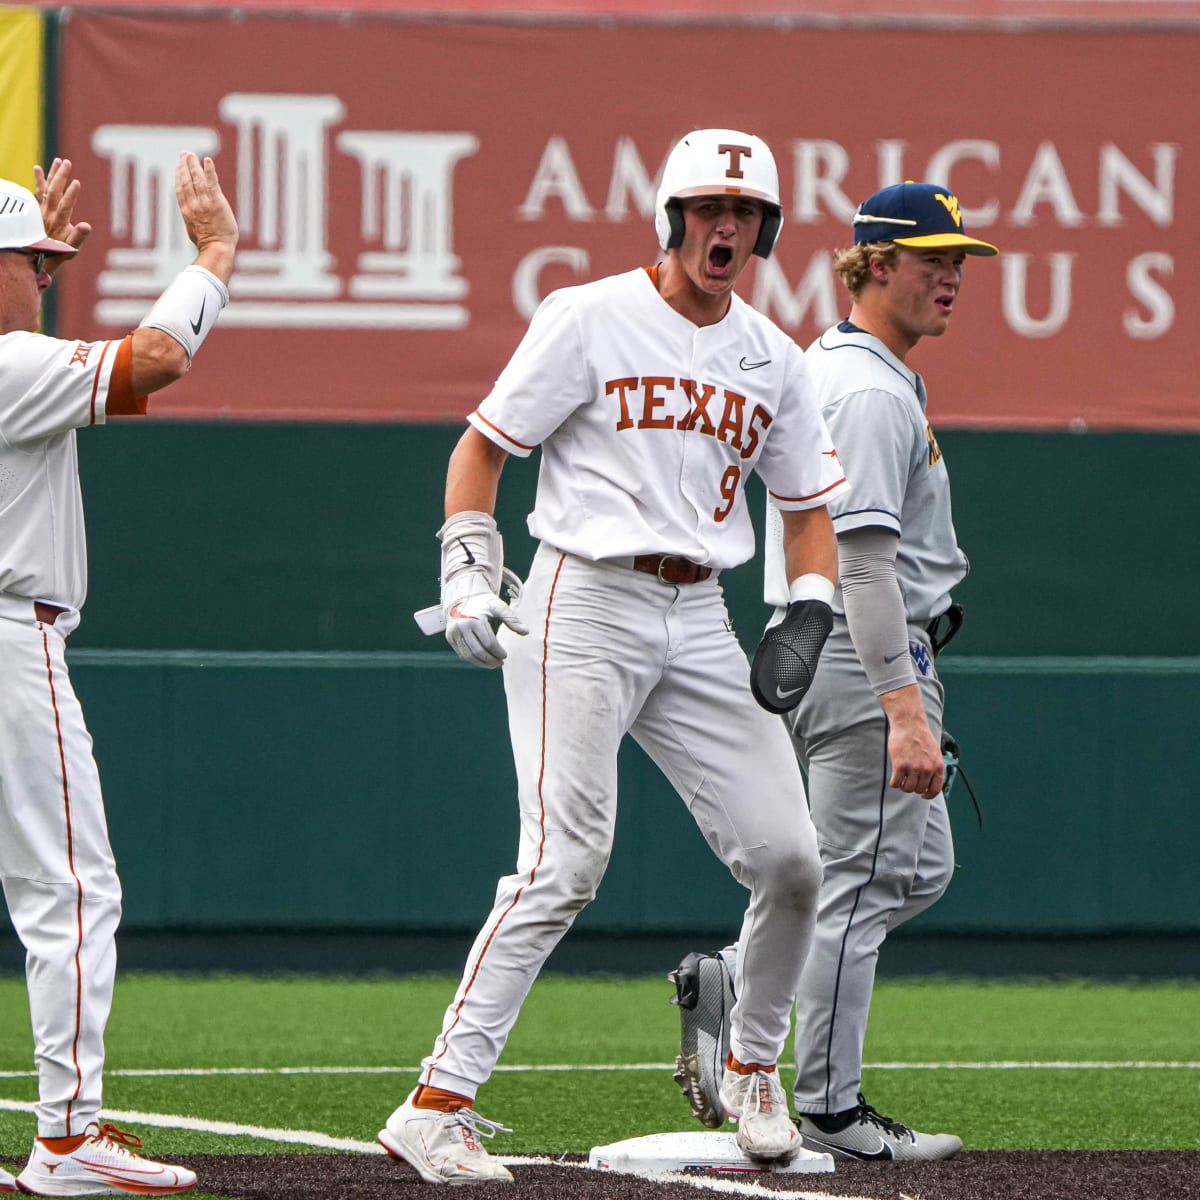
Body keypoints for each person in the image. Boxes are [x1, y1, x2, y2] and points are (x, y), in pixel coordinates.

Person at [377, 128, 849, 1186]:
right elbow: (482, 449)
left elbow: (810, 508)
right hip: (582, 596)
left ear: (766, 230)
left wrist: (808, 611)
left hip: (699, 612)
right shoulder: (588, 315)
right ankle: (435, 1104)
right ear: (673, 217)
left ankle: (755, 1068)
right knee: (564, 864)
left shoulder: (772, 355)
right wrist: (466, 567)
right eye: (705, 209)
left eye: (743, 213)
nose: (723, 227)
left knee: (793, 858)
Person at [671, 181, 997, 1161]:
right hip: (861, 654)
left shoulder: (862, 371)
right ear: (872, 265)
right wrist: (903, 708)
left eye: (959, 260)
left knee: (909, 868)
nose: (951, 275)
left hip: (846, 651)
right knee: (858, 879)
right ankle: (828, 1107)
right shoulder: (861, 386)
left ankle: (741, 975)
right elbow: (861, 561)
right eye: (930, 256)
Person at [0, 152, 237, 1195]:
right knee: (73, 888)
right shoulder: (9, 368)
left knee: (59, 888)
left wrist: (28, 265)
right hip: (10, 640)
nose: (45, 274)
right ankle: (65, 1139)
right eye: (32, 261)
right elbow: (159, 358)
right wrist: (216, 256)